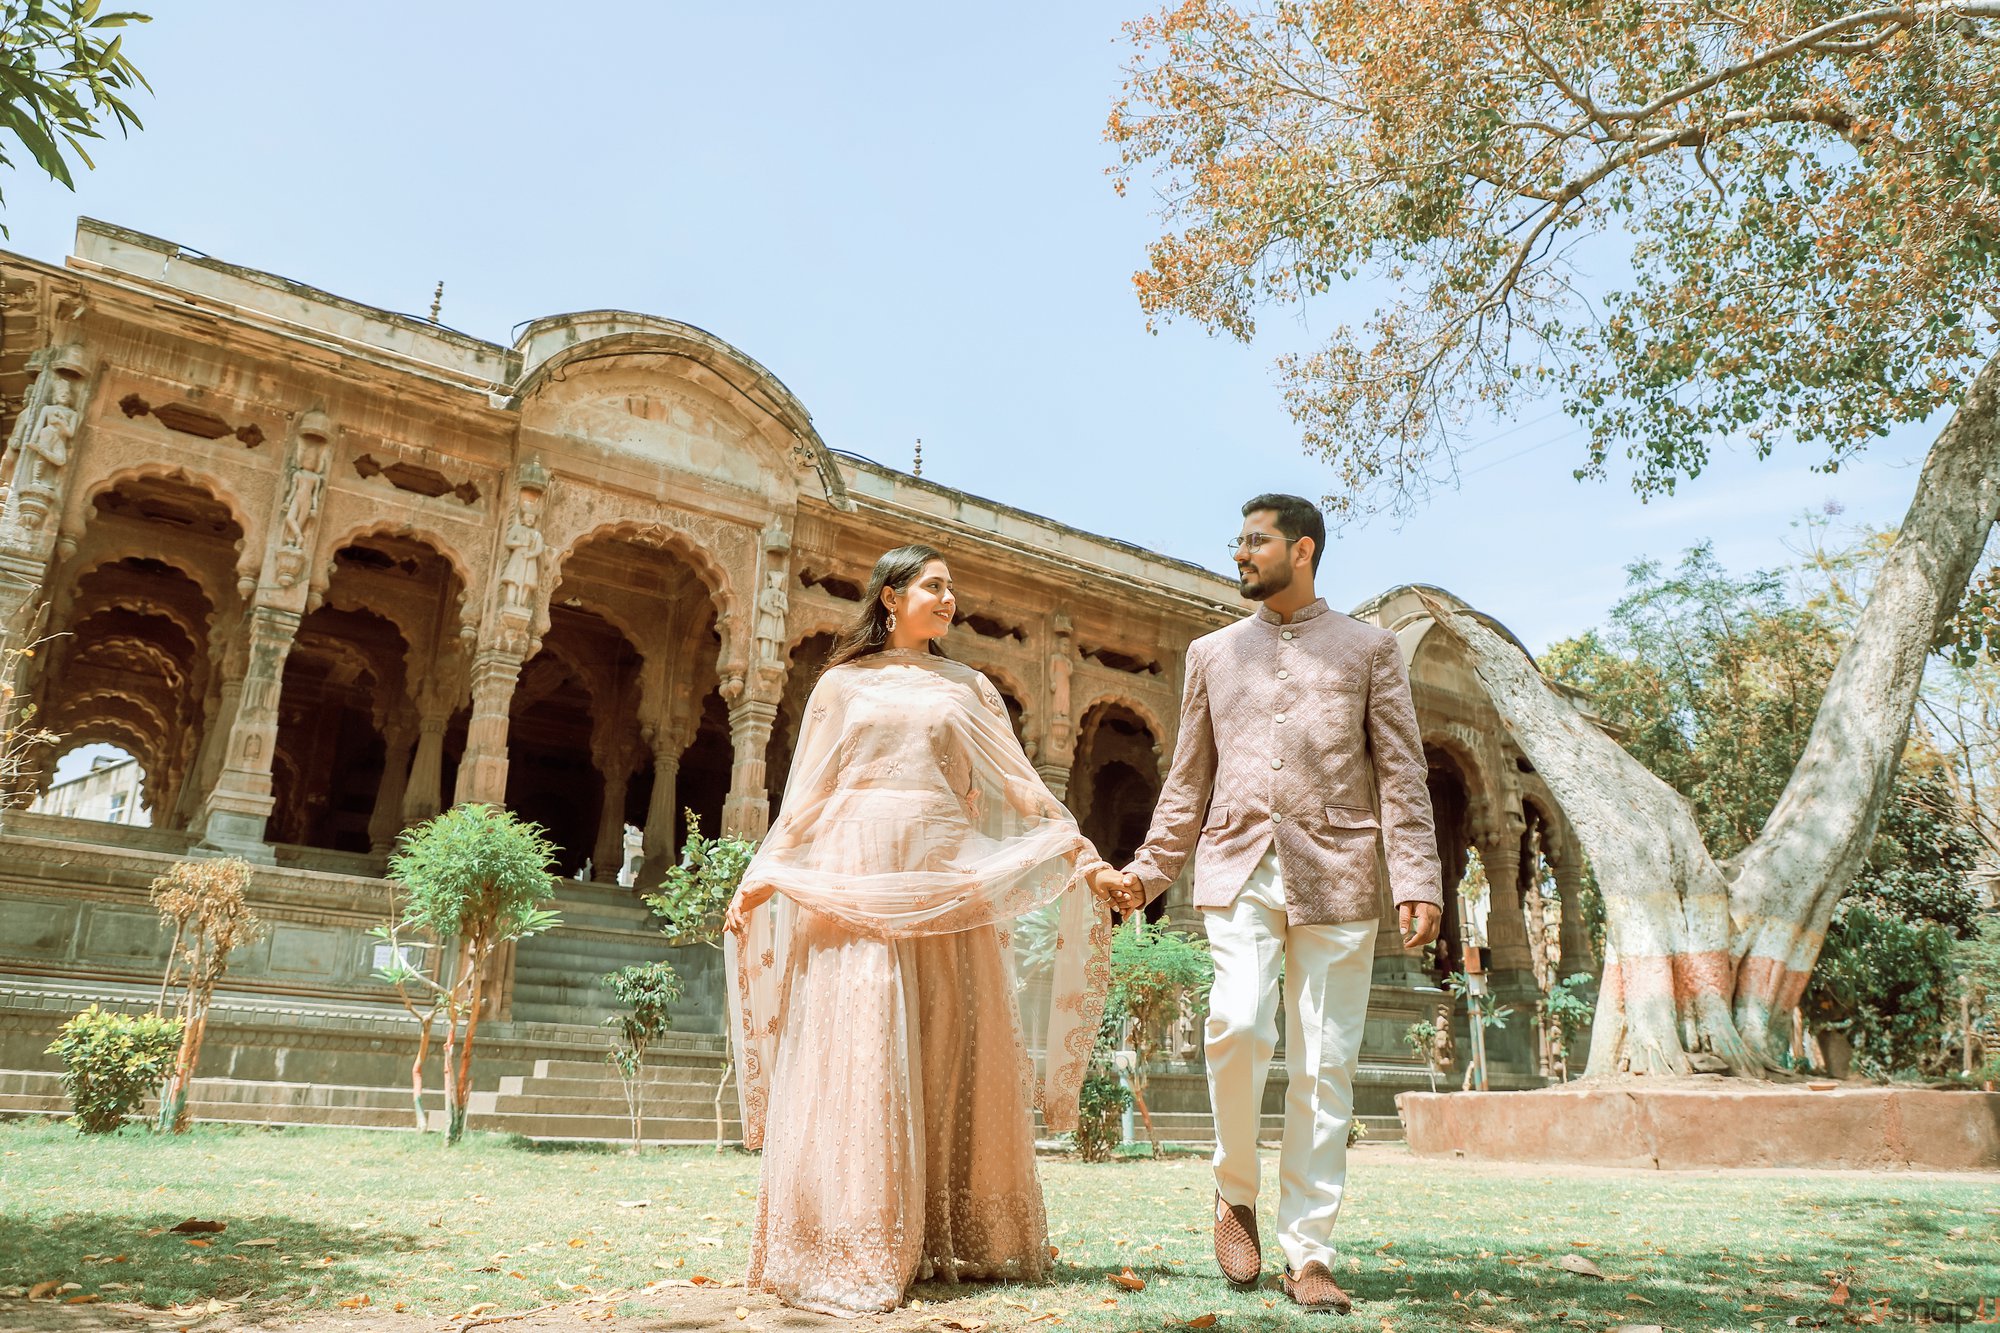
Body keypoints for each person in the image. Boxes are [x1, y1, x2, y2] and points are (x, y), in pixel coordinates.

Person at [724, 543, 1125, 1318]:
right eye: (935, 586)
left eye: (952, 590)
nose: (949, 600)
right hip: (855, 868)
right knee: (863, 1042)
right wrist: (765, 867)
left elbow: (1019, 783)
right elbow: (809, 791)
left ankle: (946, 1232)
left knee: (943, 1042)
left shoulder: (969, 686)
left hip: (942, 873)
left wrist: (1082, 855)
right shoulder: (841, 684)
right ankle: (849, 1236)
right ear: (891, 596)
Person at [1104, 494, 1444, 1312]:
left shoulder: (1370, 648)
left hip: (1338, 869)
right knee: (1240, 1025)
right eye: (1238, 541)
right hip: (1240, 863)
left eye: (1254, 542)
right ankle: (1234, 1192)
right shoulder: (1213, 653)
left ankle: (1310, 1251)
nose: (1239, 555)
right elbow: (1187, 779)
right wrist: (1150, 870)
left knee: (1326, 1064)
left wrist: (1419, 874)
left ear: (1303, 548)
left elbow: (1401, 770)